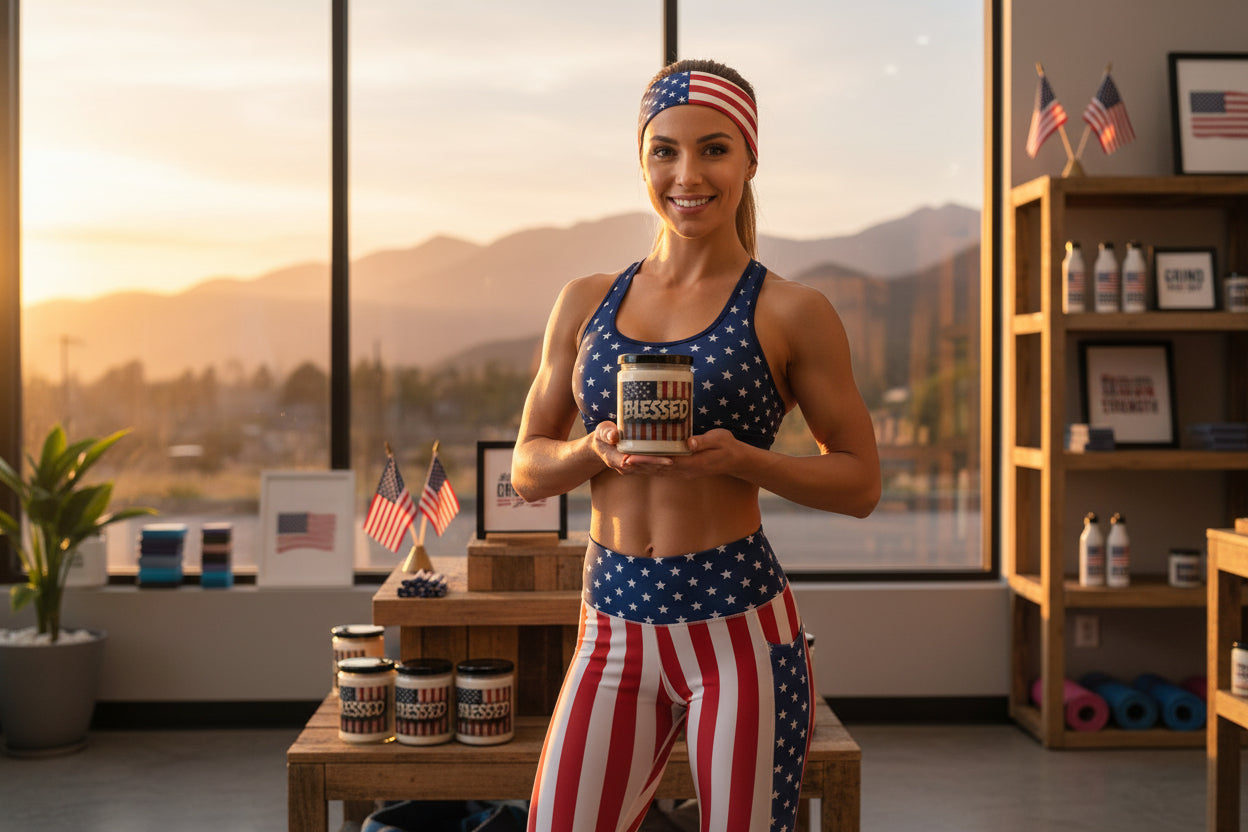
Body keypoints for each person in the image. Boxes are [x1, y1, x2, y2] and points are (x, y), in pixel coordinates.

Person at [511, 58, 881, 832]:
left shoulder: (791, 310)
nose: (688, 174)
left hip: (740, 634)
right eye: (665, 151)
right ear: (642, 160)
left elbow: (860, 484)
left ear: (750, 158)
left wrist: (744, 460)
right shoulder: (586, 303)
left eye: (714, 149)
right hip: (611, 628)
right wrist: (594, 452)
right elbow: (527, 468)